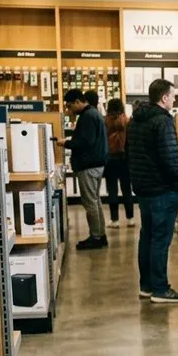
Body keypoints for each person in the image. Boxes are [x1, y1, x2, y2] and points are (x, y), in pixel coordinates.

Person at [127, 79, 178, 304]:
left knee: (147, 236)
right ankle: (160, 289)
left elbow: (129, 153)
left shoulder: (136, 120)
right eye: (173, 95)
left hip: (143, 188)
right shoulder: (163, 121)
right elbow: (170, 157)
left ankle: (147, 286)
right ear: (164, 98)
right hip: (162, 189)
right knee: (161, 240)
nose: (174, 99)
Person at [59, 88, 109, 250]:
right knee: (95, 201)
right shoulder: (93, 114)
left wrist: (66, 143)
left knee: (90, 203)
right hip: (96, 164)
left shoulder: (87, 116)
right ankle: (100, 234)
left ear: (78, 102)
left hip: (89, 165)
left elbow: (86, 142)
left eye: (69, 106)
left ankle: (96, 237)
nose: (69, 110)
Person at [104, 99, 134, 228]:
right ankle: (130, 218)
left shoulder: (106, 121)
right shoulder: (127, 121)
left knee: (112, 190)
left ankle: (115, 220)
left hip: (110, 159)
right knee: (127, 189)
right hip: (125, 158)